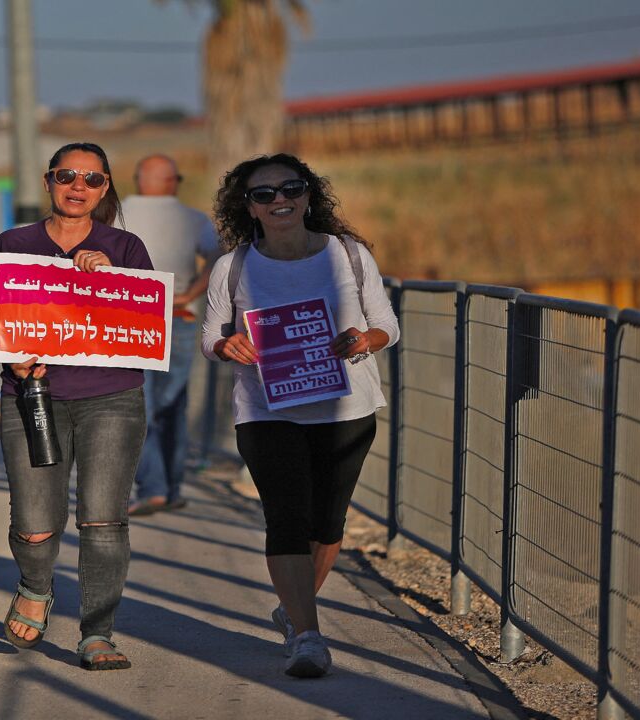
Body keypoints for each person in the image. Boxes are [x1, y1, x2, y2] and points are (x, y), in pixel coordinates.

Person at [200, 153, 399, 678]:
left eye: (290, 188)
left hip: (346, 408)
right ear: (249, 208)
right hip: (266, 411)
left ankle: (292, 609)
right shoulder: (234, 265)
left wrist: (362, 340)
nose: (279, 200)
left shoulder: (349, 256)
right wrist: (229, 347)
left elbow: (386, 325)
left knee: (327, 523)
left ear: (310, 195)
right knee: (285, 517)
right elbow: (209, 337)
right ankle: (308, 637)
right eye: (264, 194)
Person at [0, 142, 150, 671]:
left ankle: (97, 633)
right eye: (68, 175)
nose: (79, 187)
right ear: (49, 181)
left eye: (93, 179)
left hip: (112, 398)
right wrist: (14, 363)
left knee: (103, 522)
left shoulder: (124, 245)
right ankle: (35, 585)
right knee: (34, 523)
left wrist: (110, 279)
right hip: (31, 397)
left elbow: (143, 324)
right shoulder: (13, 241)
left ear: (105, 188)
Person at [120, 154, 219, 516]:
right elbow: (219, 254)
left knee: (137, 404)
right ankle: (171, 486)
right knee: (172, 405)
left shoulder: (114, 215)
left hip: (129, 319)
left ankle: (154, 488)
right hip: (179, 315)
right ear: (172, 181)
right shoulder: (193, 218)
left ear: (137, 179)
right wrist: (191, 293)